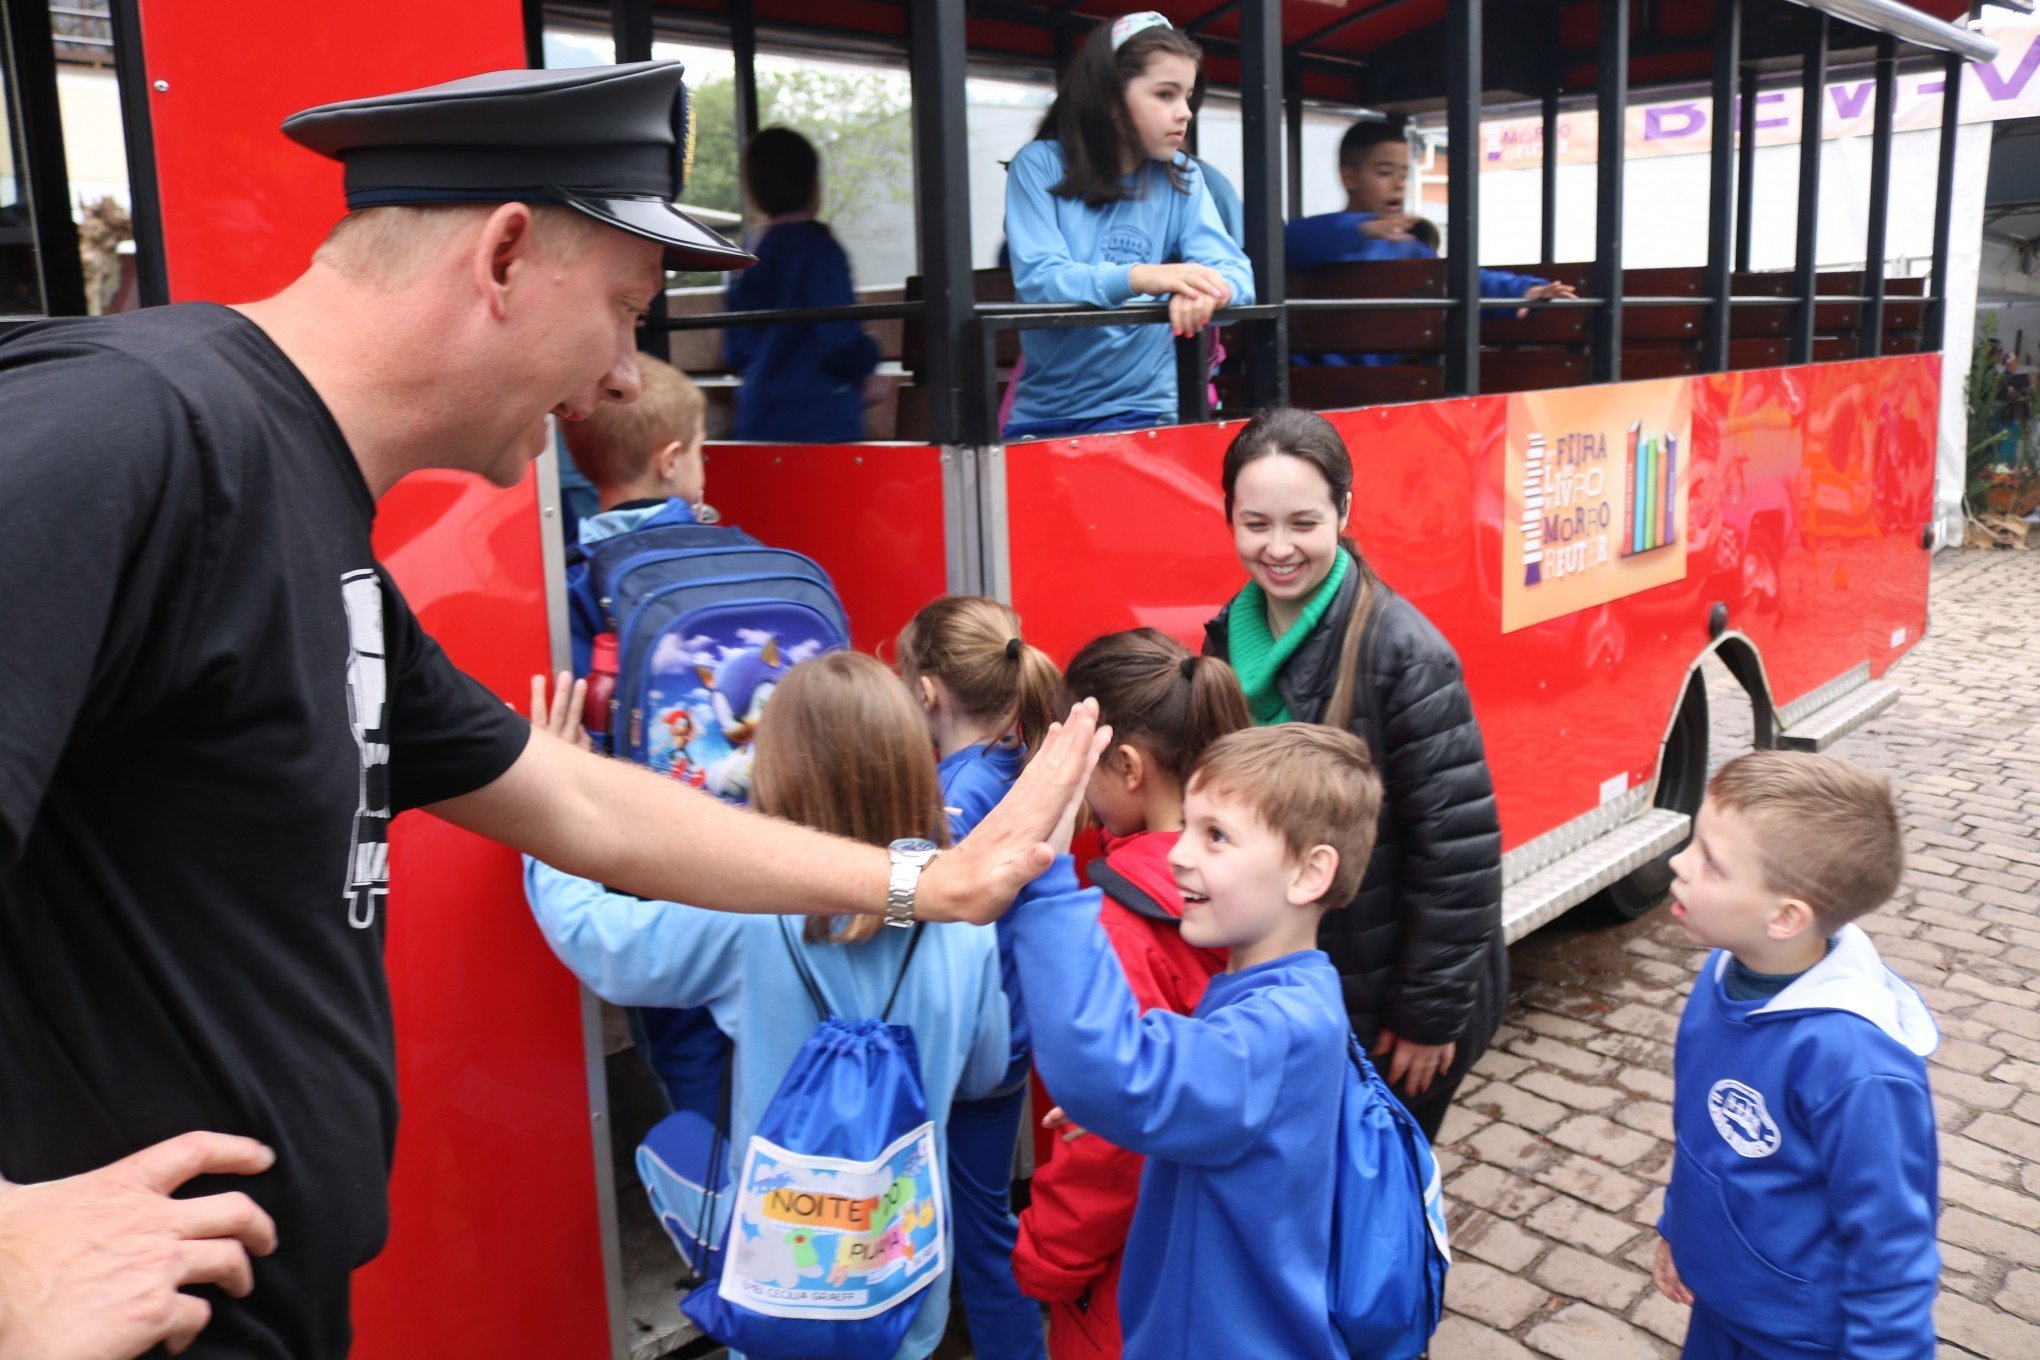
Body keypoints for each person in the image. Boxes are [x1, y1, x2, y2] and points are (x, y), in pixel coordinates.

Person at [0, 62, 1103, 1360]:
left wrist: (937, 881)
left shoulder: (296, 498)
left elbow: (579, 803)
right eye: (630, 314)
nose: (625, 382)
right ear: (507, 255)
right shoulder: (125, 427)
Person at [528, 651, 1010, 1360]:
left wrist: (548, 809)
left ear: (779, 772)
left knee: (672, 1141)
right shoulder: (966, 919)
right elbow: (983, 1073)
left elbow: (603, 943)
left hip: (783, 1308)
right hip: (905, 1298)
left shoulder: (749, 919)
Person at [1007, 723, 1383, 1360]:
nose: (1179, 854)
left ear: (1309, 873)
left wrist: (1047, 881)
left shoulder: (1277, 1028)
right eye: (1186, 826)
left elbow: (1112, 1069)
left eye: (1215, 836)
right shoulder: (1289, 993)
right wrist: (1132, 1110)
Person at [1200, 404, 1504, 1140]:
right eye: (1256, 524)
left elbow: (1458, 856)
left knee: (1376, 1212)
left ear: (1344, 510)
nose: (1278, 548)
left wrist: (1427, 1017)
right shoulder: (1222, 638)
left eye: (1303, 523)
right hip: (1302, 986)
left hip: (1385, 1001)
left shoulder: (1404, 652)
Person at [1653, 751, 1938, 1360]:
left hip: (1799, 1337)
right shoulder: (1724, 970)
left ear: (1784, 917)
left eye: (1710, 861)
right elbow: (1704, 1135)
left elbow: (1892, 1246)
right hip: (1719, 1301)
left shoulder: (1857, 1066)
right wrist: (1678, 1228)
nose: (1678, 863)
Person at [1012, 629, 1245, 1360]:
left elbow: (1109, 1143)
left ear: (1128, 766)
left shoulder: (1119, 925)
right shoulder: (1262, 874)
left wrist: (1047, 1262)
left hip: (1130, 1283)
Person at [894, 595, 1060, 1360]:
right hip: (1006, 1041)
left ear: (927, 693)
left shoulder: (956, 800)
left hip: (972, 1056)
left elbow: (925, 914)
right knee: (983, 1211)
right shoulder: (1007, 767)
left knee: (981, 1230)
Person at [1001, 12, 1253, 440]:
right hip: (1044, 412)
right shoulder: (1039, 165)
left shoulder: (1181, 176)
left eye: (1188, 96)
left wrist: (1202, 291)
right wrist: (1144, 277)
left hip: (1146, 410)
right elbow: (1040, 280)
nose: (1185, 113)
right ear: (1109, 97)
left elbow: (1238, 275)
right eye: (1165, 95)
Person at [1285, 120, 1576, 365]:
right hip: (1314, 386)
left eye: (1404, 175)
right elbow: (1289, 241)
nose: (1398, 184)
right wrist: (1362, 229)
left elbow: (1463, 280)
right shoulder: (1322, 236)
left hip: (1394, 384)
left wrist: (1525, 289)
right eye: (1385, 173)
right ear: (1349, 177)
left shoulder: (1408, 248)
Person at [724, 126, 881, 443]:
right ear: (813, 186)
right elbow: (839, 341)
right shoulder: (821, 251)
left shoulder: (746, 257)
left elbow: (735, 352)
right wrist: (867, 361)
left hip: (759, 413)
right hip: (820, 416)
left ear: (754, 191)